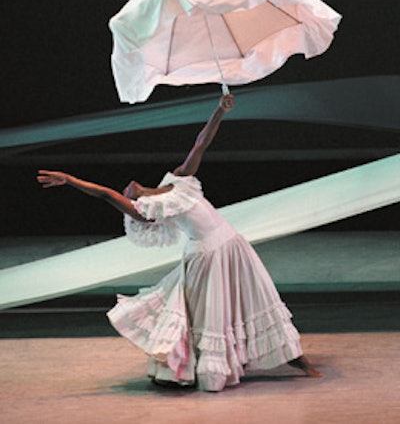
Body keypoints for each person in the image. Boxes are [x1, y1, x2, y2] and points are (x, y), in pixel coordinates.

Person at [37, 93, 321, 392]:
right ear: (133, 200)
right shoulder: (149, 210)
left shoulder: (179, 181)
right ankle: (204, 367)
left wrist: (219, 110)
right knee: (213, 315)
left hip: (233, 246)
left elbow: (201, 142)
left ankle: (295, 359)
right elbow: (106, 194)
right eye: (126, 193)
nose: (127, 187)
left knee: (257, 300)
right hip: (207, 256)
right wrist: (69, 179)